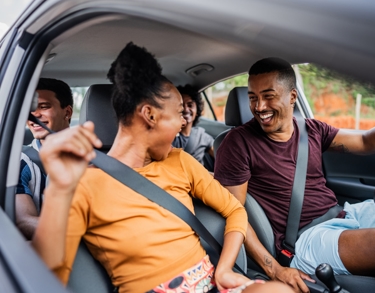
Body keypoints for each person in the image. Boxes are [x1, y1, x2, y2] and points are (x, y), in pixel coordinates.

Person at [31, 43, 292, 293]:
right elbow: (44, 277)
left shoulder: (179, 160)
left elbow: (235, 209)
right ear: (150, 115)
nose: (183, 123)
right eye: (178, 113)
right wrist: (58, 191)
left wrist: (223, 269)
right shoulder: (82, 184)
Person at [214, 57, 375, 293]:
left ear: (292, 97)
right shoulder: (237, 144)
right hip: (305, 240)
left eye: (269, 96)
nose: (259, 106)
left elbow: (366, 142)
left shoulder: (311, 129)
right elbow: (236, 213)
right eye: (253, 97)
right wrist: (275, 269)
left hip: (343, 213)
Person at [16, 77, 73, 239]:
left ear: (67, 112)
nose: (34, 116)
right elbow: (24, 221)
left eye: (44, 107)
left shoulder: (101, 159)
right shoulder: (22, 162)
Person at [172, 84, 214, 167]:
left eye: (190, 105)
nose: (186, 109)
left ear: (197, 110)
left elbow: (222, 157)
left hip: (200, 178)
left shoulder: (202, 136)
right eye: (181, 106)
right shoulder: (168, 136)